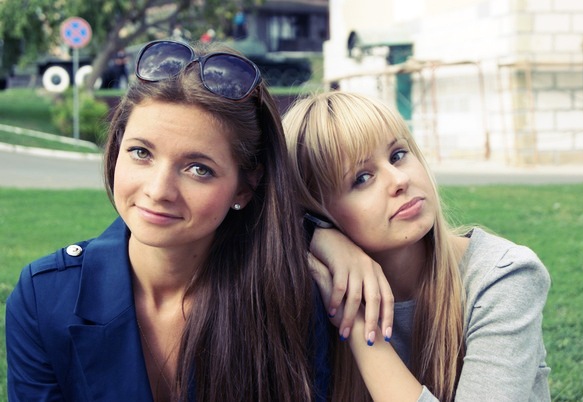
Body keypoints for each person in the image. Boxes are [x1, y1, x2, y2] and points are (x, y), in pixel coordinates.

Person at [6, 39, 330, 402]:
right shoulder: (45, 298)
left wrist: (324, 237)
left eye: (198, 169)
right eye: (141, 152)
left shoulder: (287, 298)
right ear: (117, 148)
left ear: (244, 187)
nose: (159, 190)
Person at [282, 91, 551, 401]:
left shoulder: (503, 275)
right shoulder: (306, 285)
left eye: (398, 155)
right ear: (317, 210)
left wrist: (355, 322)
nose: (399, 179)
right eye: (362, 178)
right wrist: (316, 235)